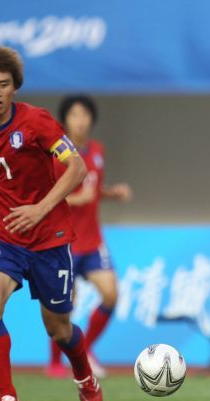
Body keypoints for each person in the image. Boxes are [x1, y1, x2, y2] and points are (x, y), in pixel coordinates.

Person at [0, 44, 102, 401]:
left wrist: (40, 208)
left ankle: (83, 374)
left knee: (59, 329)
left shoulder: (37, 122)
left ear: (15, 87)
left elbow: (76, 168)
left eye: (4, 84)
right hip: (3, 235)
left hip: (50, 237)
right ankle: (8, 399)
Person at [46, 95, 132, 379]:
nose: (80, 121)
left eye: (85, 115)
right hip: (64, 242)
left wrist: (111, 193)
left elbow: (92, 190)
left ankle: (84, 350)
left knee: (111, 294)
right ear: (64, 120)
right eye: (74, 115)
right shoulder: (57, 154)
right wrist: (75, 199)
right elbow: (46, 198)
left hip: (93, 241)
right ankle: (55, 363)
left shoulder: (96, 151)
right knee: (63, 304)